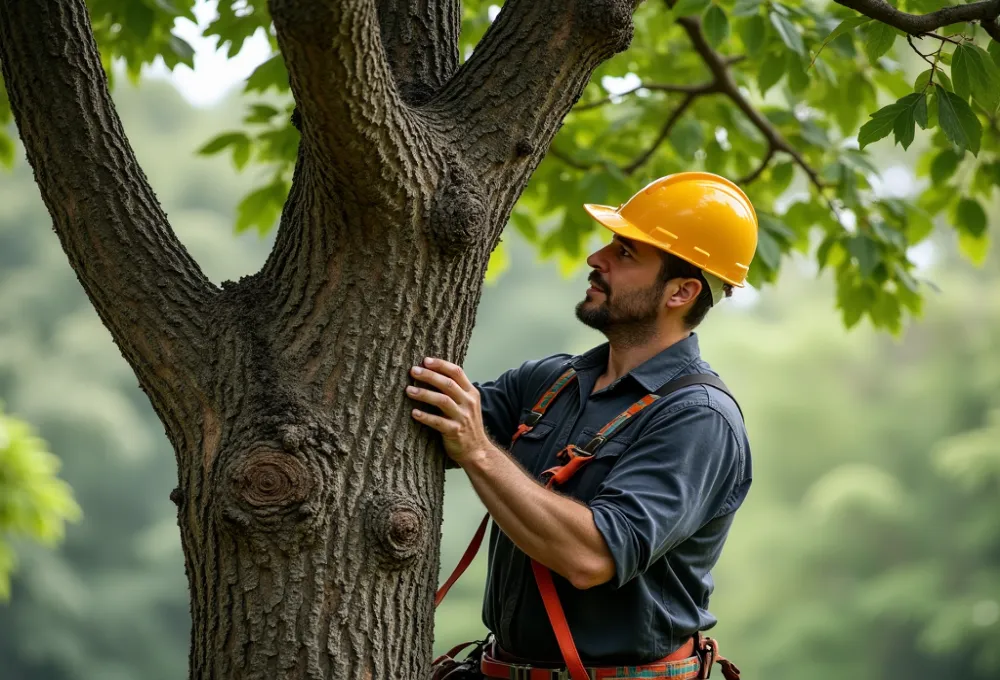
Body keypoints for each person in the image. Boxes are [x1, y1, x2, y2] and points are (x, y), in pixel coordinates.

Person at [409, 172, 757, 680]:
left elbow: (591, 556)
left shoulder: (699, 419)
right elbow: (425, 421)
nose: (598, 259)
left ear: (680, 292)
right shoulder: (552, 381)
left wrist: (479, 451)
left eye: (627, 253)